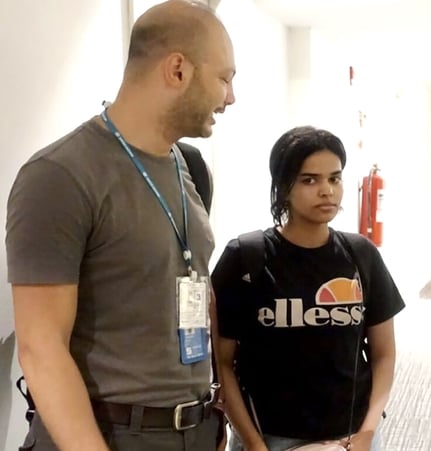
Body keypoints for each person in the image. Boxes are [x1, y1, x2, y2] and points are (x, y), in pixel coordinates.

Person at [5, 1, 236, 450]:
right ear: (177, 70)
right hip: (108, 434)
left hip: (192, 429)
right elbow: (40, 348)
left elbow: (189, 278)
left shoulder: (186, 167)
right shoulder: (60, 174)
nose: (230, 98)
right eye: (225, 78)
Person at [211, 126, 405, 451]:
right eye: (309, 180)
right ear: (283, 186)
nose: (326, 190)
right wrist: (254, 444)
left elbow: (384, 354)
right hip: (271, 437)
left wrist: (367, 432)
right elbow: (222, 362)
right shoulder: (246, 257)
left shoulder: (361, 255)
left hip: (352, 437)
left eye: (334, 178)